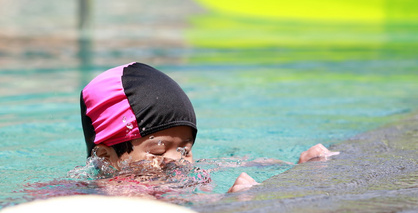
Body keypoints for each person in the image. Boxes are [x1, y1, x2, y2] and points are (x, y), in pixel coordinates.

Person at [80, 62, 339, 195]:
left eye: (184, 150)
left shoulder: (187, 173)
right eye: (157, 151)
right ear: (105, 157)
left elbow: (250, 163)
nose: (175, 161)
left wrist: (301, 167)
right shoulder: (101, 198)